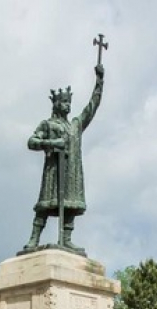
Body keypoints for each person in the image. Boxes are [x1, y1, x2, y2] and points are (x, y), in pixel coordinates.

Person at [23, 63, 104, 252]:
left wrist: (100, 80)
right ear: (56, 104)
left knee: (71, 203)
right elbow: (31, 141)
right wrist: (52, 144)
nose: (67, 106)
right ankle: (34, 238)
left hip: (72, 174)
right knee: (45, 204)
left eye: (69, 102)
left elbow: (93, 106)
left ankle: (66, 238)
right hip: (53, 172)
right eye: (63, 102)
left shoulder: (76, 125)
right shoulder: (48, 124)